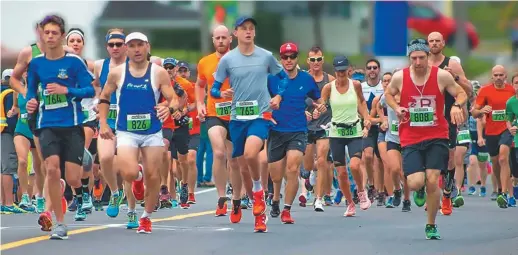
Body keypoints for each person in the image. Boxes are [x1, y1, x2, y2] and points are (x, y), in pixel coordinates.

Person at [211, 16, 289, 232]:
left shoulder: (265, 56)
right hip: (237, 118)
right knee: (242, 167)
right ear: (235, 33)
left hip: (260, 115)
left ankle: (258, 191)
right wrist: (222, 92)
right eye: (243, 28)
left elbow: (283, 78)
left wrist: (278, 97)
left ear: (254, 33)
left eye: (251, 28)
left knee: (251, 153)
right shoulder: (227, 60)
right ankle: (258, 210)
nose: (248, 32)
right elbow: (214, 89)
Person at [98, 32, 180, 234]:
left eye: (140, 45)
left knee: (153, 177)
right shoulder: (117, 73)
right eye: (132, 45)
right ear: (127, 49)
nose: (136, 49)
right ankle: (137, 176)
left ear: (147, 47)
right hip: (127, 131)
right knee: (129, 172)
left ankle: (146, 217)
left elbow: (174, 99)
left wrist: (167, 108)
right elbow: (105, 97)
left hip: (152, 132)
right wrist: (103, 123)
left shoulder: (158, 72)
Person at [385, 38, 467, 240]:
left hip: (437, 134)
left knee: (432, 180)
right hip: (410, 136)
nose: (418, 62)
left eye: (422, 57)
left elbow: (461, 93)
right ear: (409, 58)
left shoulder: (441, 76)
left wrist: (457, 106)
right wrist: (397, 108)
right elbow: (388, 94)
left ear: (428, 56)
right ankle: (418, 189)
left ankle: (431, 224)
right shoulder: (400, 77)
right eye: (414, 58)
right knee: (415, 182)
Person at [25, 15, 96, 239]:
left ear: (62, 35)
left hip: (73, 125)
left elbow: (90, 90)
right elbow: (30, 91)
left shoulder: (74, 62)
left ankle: (80, 168)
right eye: (47, 33)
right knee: (52, 169)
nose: (50, 37)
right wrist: (31, 102)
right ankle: (59, 223)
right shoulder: (36, 64)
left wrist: (68, 91)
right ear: (41, 35)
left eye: (55, 33)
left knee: (73, 178)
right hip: (47, 124)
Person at [266, 42, 325, 223]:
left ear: (297, 58)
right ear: (281, 59)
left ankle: (287, 209)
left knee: (292, 168)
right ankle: (276, 198)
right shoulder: (272, 78)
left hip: (298, 130)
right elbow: (262, 98)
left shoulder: (307, 79)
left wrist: (320, 105)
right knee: (276, 176)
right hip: (276, 130)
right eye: (285, 57)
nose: (289, 60)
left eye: (292, 57)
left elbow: (318, 97)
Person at [195, 25, 241, 219]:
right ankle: (222, 198)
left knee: (235, 160)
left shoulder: (241, 59)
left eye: (224, 38)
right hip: (215, 114)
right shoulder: (205, 62)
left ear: (231, 39)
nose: (221, 41)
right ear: (213, 40)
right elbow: (199, 84)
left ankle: (237, 199)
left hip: (238, 115)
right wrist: (199, 104)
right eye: (217, 38)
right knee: (219, 152)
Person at [321, 55, 372, 216]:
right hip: (336, 132)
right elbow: (323, 104)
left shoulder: (355, 85)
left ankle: (361, 192)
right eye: (338, 71)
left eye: (344, 71)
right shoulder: (328, 88)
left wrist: (367, 118)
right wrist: (319, 109)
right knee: (341, 173)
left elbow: (362, 102)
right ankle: (350, 203)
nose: (341, 74)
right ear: (335, 71)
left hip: (354, 130)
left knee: (355, 165)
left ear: (348, 70)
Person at [427, 32, 472, 215]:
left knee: (450, 157)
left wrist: (456, 78)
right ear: (427, 44)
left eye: (438, 40)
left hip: (448, 115)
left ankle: (447, 193)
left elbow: (468, 90)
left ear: (443, 43)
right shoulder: (422, 63)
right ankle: (432, 194)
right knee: (429, 157)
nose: (435, 43)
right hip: (427, 116)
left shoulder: (452, 64)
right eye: (431, 41)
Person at [472, 65, 514, 208]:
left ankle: (503, 192)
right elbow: (474, 113)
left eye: (501, 75)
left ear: (505, 76)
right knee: (495, 161)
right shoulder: (485, 91)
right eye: (495, 75)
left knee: (503, 157)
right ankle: (500, 187)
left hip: (508, 129)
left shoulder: (512, 90)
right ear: (492, 76)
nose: (498, 77)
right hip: (491, 131)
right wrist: (482, 109)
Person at [302, 46, 335, 210]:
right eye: (313, 59)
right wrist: (303, 112)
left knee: (322, 161)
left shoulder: (330, 79)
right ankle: (308, 176)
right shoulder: (302, 78)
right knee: (309, 165)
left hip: (324, 125)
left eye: (319, 59)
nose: (316, 62)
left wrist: (326, 106)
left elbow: (337, 99)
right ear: (308, 61)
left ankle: (319, 198)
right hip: (306, 126)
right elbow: (294, 99)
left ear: (322, 60)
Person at [1, 69, 25, 214]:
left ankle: (3, 202)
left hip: (1, 132)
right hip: (7, 132)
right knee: (8, 169)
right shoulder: (9, 94)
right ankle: (9, 203)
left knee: (2, 169)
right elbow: (13, 116)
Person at [506, 73, 518, 207]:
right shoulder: (510, 102)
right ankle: (513, 193)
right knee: (514, 171)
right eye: (516, 83)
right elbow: (508, 119)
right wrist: (510, 128)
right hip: (516, 140)